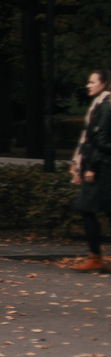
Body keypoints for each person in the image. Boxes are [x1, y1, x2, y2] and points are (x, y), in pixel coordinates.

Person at [73, 72, 111, 272]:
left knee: (87, 209)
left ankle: (95, 257)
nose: (88, 85)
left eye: (92, 81)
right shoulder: (101, 104)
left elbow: (100, 141)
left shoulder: (104, 107)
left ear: (104, 84)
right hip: (101, 166)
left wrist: (90, 167)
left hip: (101, 168)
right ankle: (95, 257)